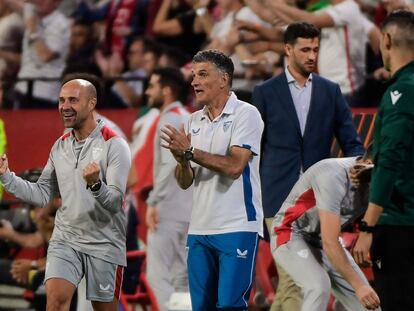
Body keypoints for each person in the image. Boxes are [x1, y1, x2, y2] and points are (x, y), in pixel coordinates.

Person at [252, 22, 364, 310]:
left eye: (315, 49)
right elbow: (253, 151)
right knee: (295, 281)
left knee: (299, 282)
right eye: (305, 49)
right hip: (278, 198)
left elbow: (350, 141)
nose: (312, 55)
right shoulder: (264, 92)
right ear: (287, 49)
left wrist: (360, 171)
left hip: (320, 202)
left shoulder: (330, 91)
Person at [0, 78, 131, 311]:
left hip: (104, 242)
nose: (65, 106)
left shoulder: (115, 144)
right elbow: (41, 194)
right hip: (66, 239)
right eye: (61, 100)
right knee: (56, 302)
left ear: (92, 103)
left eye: (73, 100)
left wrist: (96, 185)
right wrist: (6, 176)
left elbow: (115, 203)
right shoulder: (60, 145)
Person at [160, 49, 264, 310]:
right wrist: (182, 161)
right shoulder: (193, 120)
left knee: (230, 305)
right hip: (200, 229)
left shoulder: (246, 114)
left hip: (237, 225)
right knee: (201, 307)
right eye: (194, 75)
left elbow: (235, 166)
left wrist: (190, 152)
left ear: (224, 79)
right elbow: (185, 181)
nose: (194, 81)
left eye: (203, 74)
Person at [352, 10, 414, 311]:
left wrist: (367, 228)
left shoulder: (401, 91)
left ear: (386, 40)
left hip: (401, 224)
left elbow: (390, 161)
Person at [271, 151, 381, 311]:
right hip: (290, 231)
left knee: (370, 304)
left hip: (322, 238)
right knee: (318, 286)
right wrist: (358, 286)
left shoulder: (381, 182)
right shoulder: (333, 174)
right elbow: (330, 241)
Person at [144, 67, 192, 311]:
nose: (146, 91)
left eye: (152, 86)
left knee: (158, 277)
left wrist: (153, 201)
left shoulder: (169, 119)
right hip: (190, 211)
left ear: (166, 91)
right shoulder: (188, 117)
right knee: (182, 279)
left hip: (168, 210)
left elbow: (167, 164)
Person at [13, 0, 70, 108]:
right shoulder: (32, 13)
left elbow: (45, 56)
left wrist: (33, 31)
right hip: (23, 87)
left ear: (56, 2)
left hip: (43, 94)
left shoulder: (60, 23)